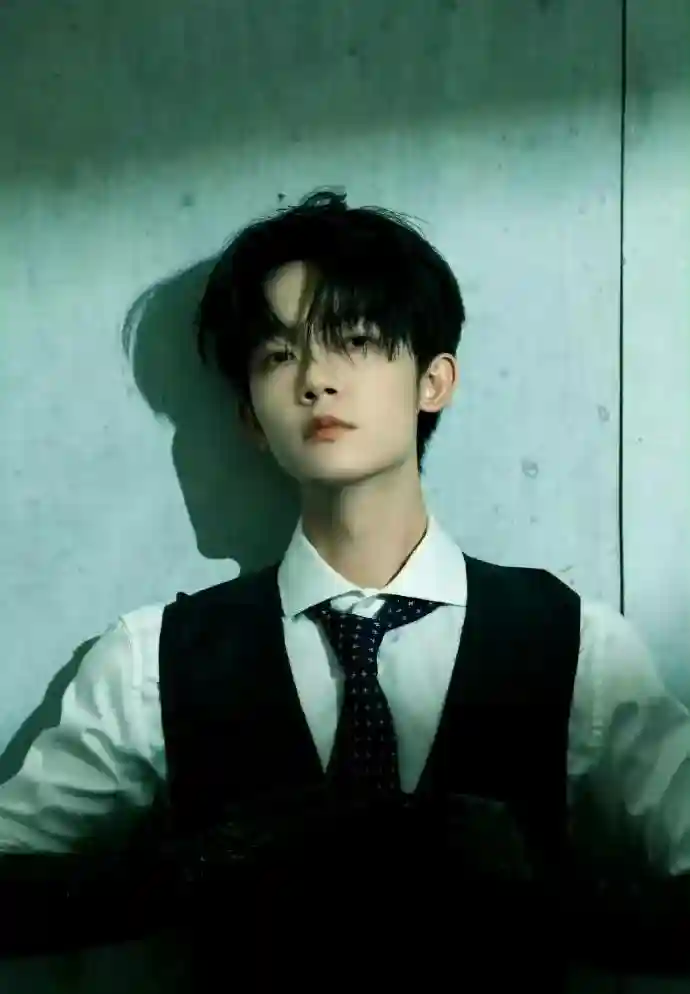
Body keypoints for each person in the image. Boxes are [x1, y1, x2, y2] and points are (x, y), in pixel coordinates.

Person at [1, 188, 690, 893]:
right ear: (251, 420)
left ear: (433, 381)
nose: (316, 381)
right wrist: (186, 879)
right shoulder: (151, 662)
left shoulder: (578, 647)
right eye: (278, 355)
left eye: (354, 341)